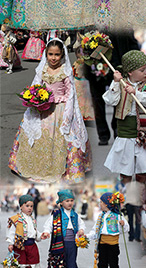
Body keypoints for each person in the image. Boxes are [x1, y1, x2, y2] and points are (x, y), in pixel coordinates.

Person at [9, 38, 91, 183]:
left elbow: (70, 95)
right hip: (41, 108)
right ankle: (34, 166)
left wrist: (67, 115)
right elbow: (35, 86)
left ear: (62, 55)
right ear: (46, 54)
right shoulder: (42, 70)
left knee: (59, 139)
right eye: (50, 54)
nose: (53, 58)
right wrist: (33, 99)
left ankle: (65, 169)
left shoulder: (65, 71)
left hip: (59, 109)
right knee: (35, 135)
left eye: (57, 55)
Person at [103, 50, 146, 184]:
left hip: (144, 133)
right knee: (125, 169)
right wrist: (115, 83)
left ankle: (139, 196)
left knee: (143, 169)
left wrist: (136, 93)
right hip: (125, 133)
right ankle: (127, 196)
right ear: (130, 72)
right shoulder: (121, 83)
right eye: (142, 69)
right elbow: (110, 101)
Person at [42, 189, 86, 268]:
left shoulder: (75, 215)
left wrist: (81, 230)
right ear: (61, 202)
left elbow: (81, 223)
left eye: (71, 200)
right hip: (60, 242)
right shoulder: (57, 214)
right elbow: (49, 224)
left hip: (72, 242)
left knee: (71, 260)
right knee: (59, 260)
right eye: (67, 201)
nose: (70, 203)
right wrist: (47, 232)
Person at [88, 192, 129, 268]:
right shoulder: (100, 216)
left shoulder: (118, 216)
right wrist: (87, 237)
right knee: (102, 263)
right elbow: (95, 230)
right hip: (102, 244)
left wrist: (123, 224)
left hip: (113, 244)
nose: (100, 204)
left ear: (106, 204)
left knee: (114, 263)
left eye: (101, 202)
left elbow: (126, 229)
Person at [6, 194, 41, 268]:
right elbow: (12, 232)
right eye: (27, 206)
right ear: (21, 206)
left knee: (30, 265)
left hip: (31, 245)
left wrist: (40, 236)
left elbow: (34, 232)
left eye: (31, 206)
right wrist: (10, 243)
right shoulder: (16, 219)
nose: (29, 208)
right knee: (19, 265)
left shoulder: (32, 220)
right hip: (20, 245)